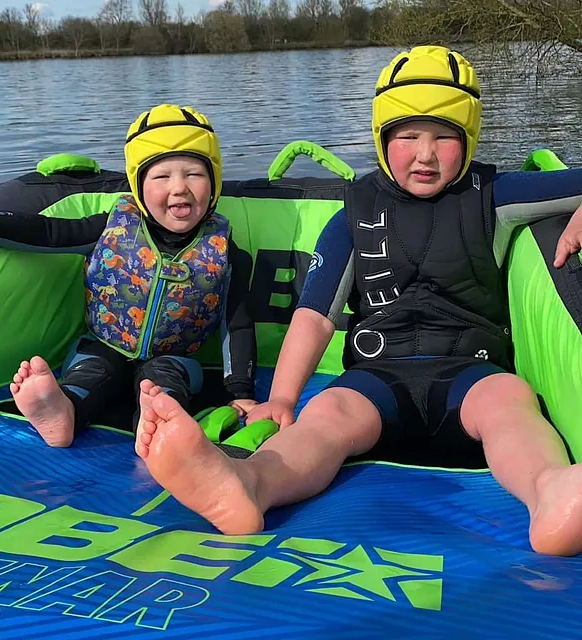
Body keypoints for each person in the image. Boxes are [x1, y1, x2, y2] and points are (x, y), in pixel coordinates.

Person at [132, 47, 582, 556]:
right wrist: (281, 400)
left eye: (444, 138)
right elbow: (315, 318)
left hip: (469, 372)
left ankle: (551, 491)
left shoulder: (495, 193)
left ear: (469, 138)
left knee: (510, 403)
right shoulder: (354, 212)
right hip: (376, 379)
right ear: (382, 137)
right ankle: (246, 484)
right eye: (408, 137)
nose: (425, 154)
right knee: (326, 415)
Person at [0, 104, 257, 448]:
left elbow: (236, 324)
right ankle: (63, 412)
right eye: (162, 176)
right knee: (90, 374)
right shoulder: (111, 227)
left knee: (164, 383)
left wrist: (240, 391)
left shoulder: (225, 253)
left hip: (175, 356)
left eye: (194, 174)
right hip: (102, 344)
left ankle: (156, 422)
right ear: (139, 185)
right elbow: (46, 232)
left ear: (214, 182)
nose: (179, 187)